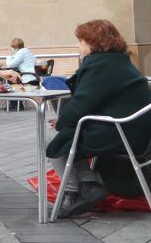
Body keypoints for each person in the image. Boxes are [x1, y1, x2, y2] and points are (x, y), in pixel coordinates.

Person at [46, 20, 151, 218]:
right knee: (68, 133)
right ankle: (88, 185)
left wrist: (62, 122)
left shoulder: (101, 66)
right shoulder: (117, 61)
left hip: (121, 132)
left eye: (81, 41)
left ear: (93, 43)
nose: (79, 46)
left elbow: (83, 102)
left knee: (55, 139)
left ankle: (72, 192)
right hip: (134, 129)